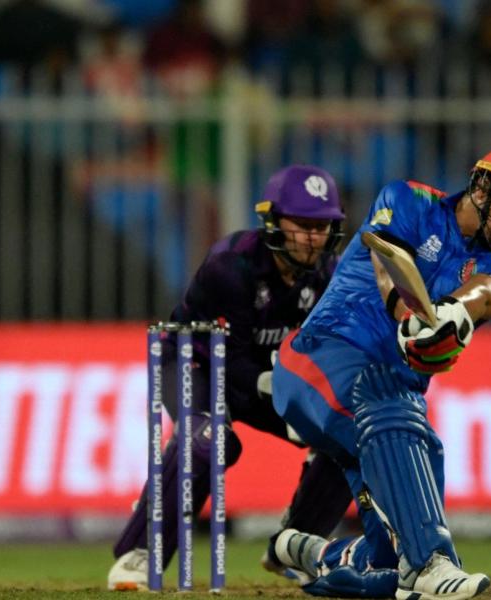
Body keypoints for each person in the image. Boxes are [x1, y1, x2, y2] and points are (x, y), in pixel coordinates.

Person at [265, 142, 491, 599]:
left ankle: (311, 553)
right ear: (484, 182)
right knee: (393, 406)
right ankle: (431, 563)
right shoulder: (409, 200)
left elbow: (488, 293)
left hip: (386, 407)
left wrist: (456, 312)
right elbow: (388, 262)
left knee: (389, 552)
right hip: (317, 355)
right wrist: (406, 313)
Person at [107, 165, 354, 590]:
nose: (313, 237)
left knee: (348, 437)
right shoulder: (231, 265)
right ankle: (140, 553)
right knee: (208, 440)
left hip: (260, 377)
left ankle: (295, 546)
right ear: (273, 221)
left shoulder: (329, 276)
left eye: (322, 226)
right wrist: (286, 389)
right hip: (194, 364)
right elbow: (235, 362)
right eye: (302, 225)